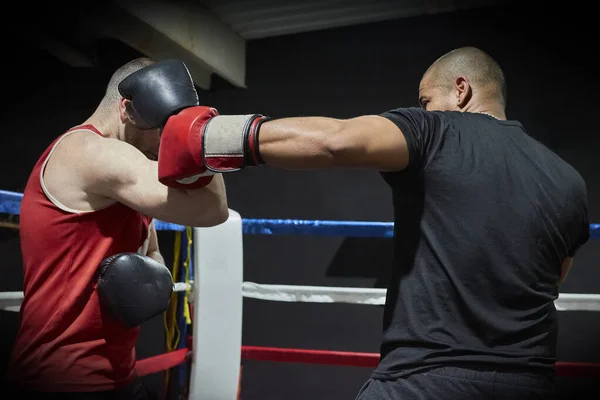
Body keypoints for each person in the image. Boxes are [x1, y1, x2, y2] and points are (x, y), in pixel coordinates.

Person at [156, 47, 590, 399]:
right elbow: (553, 280)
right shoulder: (569, 182)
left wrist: (209, 138)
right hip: (529, 382)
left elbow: (335, 141)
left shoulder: (435, 131)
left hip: (426, 381)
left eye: (426, 100)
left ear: (461, 90)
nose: (424, 109)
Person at [8, 58, 229, 399]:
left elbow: (150, 251)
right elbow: (212, 210)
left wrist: (149, 277)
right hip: (58, 378)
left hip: (116, 373)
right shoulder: (91, 152)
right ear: (128, 109)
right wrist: (199, 130)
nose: (167, 139)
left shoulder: (125, 175)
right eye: (163, 123)